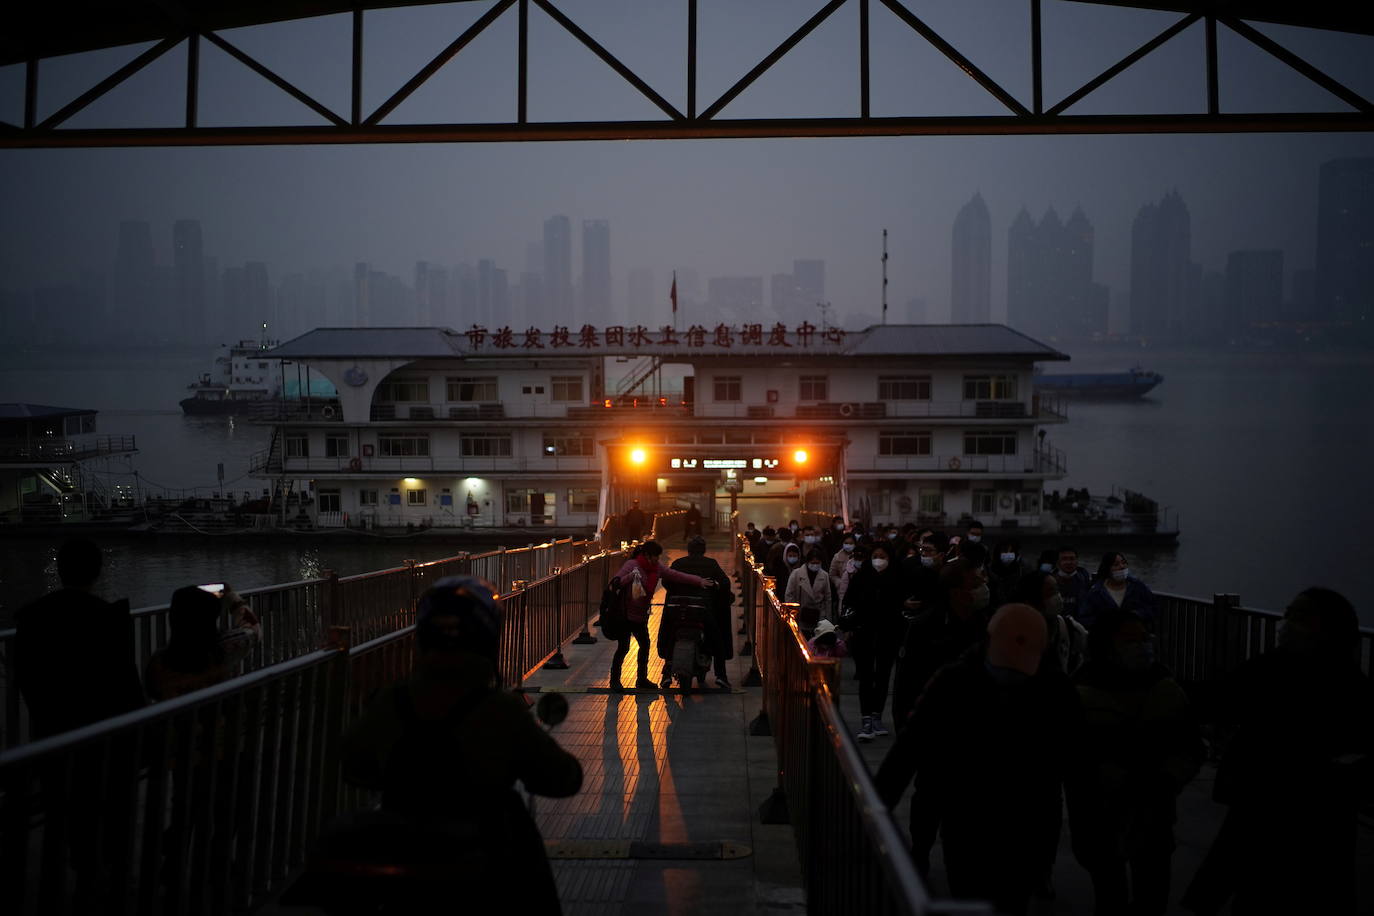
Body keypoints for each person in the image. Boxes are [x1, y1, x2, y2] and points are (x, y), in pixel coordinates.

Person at [337, 576, 583, 914]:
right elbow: (561, 778)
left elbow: (353, 765)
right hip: (487, 852)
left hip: (406, 849)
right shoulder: (500, 709)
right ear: (487, 639)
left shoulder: (391, 702)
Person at [874, 604, 1082, 916]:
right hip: (966, 816)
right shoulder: (952, 681)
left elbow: (1078, 762)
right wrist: (876, 808)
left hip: (1025, 821)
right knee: (968, 892)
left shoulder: (1056, 689)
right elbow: (910, 745)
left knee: (1010, 898)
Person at [1181, 588, 1373, 916]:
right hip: (1313, 817)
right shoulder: (1345, 680)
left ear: (1325, 627)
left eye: (1299, 616)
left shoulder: (1287, 672)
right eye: (1288, 614)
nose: (1287, 623)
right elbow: (1223, 696)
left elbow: (1220, 698)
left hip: (1278, 807)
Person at [1068, 610, 1202, 916]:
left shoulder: (1166, 689)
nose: (1141, 646)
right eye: (1130, 640)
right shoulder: (1080, 695)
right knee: (1110, 892)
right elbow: (1070, 755)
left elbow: (1190, 747)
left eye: (1145, 638)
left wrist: (1168, 779)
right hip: (1099, 816)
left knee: (1152, 894)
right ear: (1105, 645)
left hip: (1155, 811)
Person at [14, 537, 144, 739]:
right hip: (101, 733)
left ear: (59, 570)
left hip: (49, 732)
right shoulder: (109, 617)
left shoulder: (31, 617)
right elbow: (126, 682)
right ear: (98, 571)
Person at [888, 557, 991, 733]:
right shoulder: (925, 627)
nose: (984, 586)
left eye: (982, 579)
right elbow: (905, 689)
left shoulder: (987, 625)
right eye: (975, 583)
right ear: (956, 592)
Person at [610, 541, 715, 690]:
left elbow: (676, 576)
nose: (657, 559)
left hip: (640, 615)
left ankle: (641, 679)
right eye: (655, 556)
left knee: (645, 646)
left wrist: (699, 581)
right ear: (646, 555)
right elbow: (616, 583)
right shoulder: (632, 565)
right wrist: (631, 577)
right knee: (623, 648)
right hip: (626, 614)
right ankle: (614, 681)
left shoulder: (656, 568)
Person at [145, 584, 262, 700]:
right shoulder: (224, 649)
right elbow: (255, 631)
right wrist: (232, 597)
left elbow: (152, 693)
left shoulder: (157, 662)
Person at [838, 543, 907, 741]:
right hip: (864, 635)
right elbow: (850, 603)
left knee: (884, 677)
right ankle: (866, 718)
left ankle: (877, 716)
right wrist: (850, 627)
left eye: (882, 556)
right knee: (866, 678)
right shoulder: (861, 577)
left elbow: (901, 607)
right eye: (875, 555)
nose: (878, 559)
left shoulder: (898, 577)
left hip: (889, 635)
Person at [661, 535, 734, 689]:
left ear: (689, 550)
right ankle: (721, 676)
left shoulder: (678, 563)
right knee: (716, 637)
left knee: (670, 636)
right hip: (702, 611)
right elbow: (725, 583)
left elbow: (666, 581)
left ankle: (666, 675)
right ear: (703, 550)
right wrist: (716, 587)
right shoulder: (711, 564)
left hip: (677, 610)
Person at [1013, 571, 1087, 676]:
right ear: (1031, 599)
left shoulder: (1070, 628)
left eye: (1057, 589)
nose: (1057, 596)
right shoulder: (1012, 631)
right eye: (1050, 592)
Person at [1082, 552, 1157, 629]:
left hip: (1134, 635)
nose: (1122, 567)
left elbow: (1153, 607)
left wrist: (1136, 615)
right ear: (1107, 569)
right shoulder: (1096, 592)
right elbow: (1085, 617)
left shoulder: (1137, 586)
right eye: (1116, 564)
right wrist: (1106, 623)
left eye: (1123, 563)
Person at [784, 547, 833, 635]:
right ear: (807, 562)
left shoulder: (824, 576)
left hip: (819, 616)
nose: (815, 565)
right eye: (813, 563)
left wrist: (828, 619)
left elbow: (828, 598)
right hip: (800, 615)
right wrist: (793, 613)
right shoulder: (796, 574)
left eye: (817, 563)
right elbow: (789, 594)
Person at [1055, 546, 1093, 621]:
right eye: (1064, 559)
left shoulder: (1085, 581)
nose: (1069, 562)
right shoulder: (1050, 582)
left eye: (1072, 559)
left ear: (1077, 561)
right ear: (1057, 562)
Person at [988, 538, 1025, 607]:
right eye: (1005, 551)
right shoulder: (990, 571)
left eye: (1011, 552)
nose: (1008, 554)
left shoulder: (1021, 572)